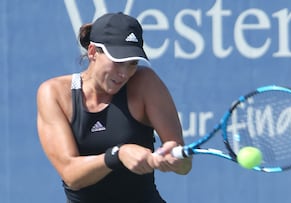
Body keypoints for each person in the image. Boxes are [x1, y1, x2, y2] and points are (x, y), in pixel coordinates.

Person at [37, 12, 192, 203]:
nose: (124, 73)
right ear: (93, 52)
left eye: (132, 63)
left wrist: (175, 159)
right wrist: (119, 154)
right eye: (118, 61)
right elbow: (71, 175)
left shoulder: (146, 83)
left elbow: (185, 166)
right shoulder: (54, 93)